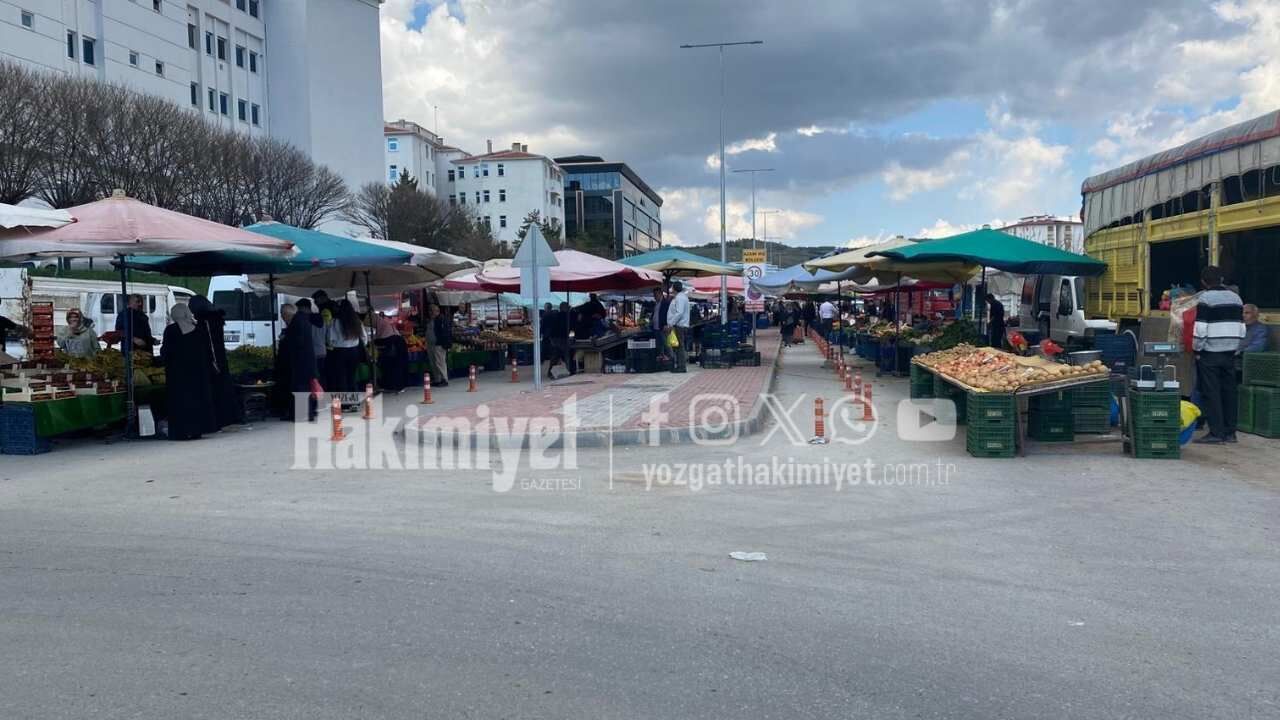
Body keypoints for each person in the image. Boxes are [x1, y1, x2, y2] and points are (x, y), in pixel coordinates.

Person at [1194, 266, 1246, 444]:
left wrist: (1197, 349)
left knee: (1212, 392)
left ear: (1203, 282)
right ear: (1222, 279)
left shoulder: (1205, 298)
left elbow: (1200, 328)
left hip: (1210, 352)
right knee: (1229, 391)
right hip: (1230, 352)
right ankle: (1231, 433)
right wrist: (1236, 347)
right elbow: (1241, 326)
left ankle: (1216, 433)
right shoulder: (1236, 298)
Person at [159, 304, 217, 441]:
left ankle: (181, 432)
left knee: (180, 403)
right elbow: (207, 352)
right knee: (196, 401)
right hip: (197, 373)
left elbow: (166, 352)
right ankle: (197, 429)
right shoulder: (198, 330)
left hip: (178, 375)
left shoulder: (171, 331)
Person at [189, 295, 243, 429]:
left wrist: (214, 362)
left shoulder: (206, 322)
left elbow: (210, 345)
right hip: (219, 360)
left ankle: (220, 418)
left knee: (217, 390)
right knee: (223, 387)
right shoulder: (215, 319)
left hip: (213, 361)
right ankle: (230, 416)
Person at [276, 303, 319, 421]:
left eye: (282, 314)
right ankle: (305, 414)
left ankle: (302, 414)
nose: (282, 317)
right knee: (303, 388)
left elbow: (297, 342)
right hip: (305, 361)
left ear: (286, 314)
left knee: (300, 388)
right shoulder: (302, 320)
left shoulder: (297, 323)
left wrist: (285, 340)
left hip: (301, 362)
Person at [326, 299, 366, 394]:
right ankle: (354, 403)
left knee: (341, 378)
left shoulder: (334, 322)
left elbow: (329, 339)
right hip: (354, 352)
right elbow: (364, 338)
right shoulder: (357, 321)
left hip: (339, 353)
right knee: (352, 377)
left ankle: (346, 404)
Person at [375, 312, 408, 393]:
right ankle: (398, 386)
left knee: (393, 367)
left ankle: (394, 386)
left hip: (394, 349)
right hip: (399, 347)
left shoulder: (382, 325)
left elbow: (380, 339)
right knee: (397, 367)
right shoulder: (386, 325)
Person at [666, 281, 691, 373]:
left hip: (679, 325)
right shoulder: (680, 297)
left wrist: (671, 323)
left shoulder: (680, 298)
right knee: (678, 346)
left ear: (674, 288)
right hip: (679, 325)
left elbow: (679, 313)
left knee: (679, 346)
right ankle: (680, 365)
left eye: (672, 287)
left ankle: (681, 367)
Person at [424, 304, 450, 387]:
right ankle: (437, 379)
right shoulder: (431, 320)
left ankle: (444, 379)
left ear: (437, 311)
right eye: (430, 310)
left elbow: (445, 332)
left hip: (439, 345)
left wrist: (444, 344)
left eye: (433, 310)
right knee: (433, 363)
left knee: (440, 362)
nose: (431, 312)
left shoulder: (441, 319)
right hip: (430, 345)